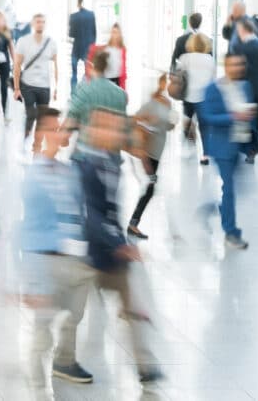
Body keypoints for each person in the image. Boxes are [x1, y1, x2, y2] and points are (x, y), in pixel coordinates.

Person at [77, 108, 163, 384]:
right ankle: (62, 357)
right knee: (71, 314)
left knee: (132, 307)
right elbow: (92, 215)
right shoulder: (86, 166)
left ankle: (145, 365)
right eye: (107, 128)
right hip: (87, 255)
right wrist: (119, 244)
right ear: (93, 132)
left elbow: (111, 212)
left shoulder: (113, 162)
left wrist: (121, 244)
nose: (114, 134)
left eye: (117, 128)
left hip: (112, 256)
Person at [19, 107, 96, 391]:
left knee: (73, 318)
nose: (59, 133)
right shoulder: (33, 177)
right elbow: (27, 231)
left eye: (60, 128)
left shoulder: (68, 173)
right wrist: (31, 281)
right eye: (53, 128)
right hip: (46, 263)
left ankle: (65, 362)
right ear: (39, 135)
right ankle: (39, 392)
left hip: (74, 261)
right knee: (41, 336)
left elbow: (79, 214)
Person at [200, 54, 254, 249]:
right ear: (225, 66)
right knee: (229, 189)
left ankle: (216, 208)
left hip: (239, 144)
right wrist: (234, 116)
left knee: (240, 189)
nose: (236, 67)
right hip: (221, 147)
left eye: (239, 63)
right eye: (232, 64)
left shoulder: (246, 86)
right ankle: (231, 232)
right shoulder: (213, 89)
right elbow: (208, 117)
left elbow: (247, 116)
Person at [127, 73, 176, 240]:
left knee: (150, 187)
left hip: (158, 151)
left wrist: (172, 123)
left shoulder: (168, 104)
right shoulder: (151, 104)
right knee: (150, 187)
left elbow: (168, 127)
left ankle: (133, 224)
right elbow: (134, 120)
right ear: (162, 84)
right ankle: (133, 224)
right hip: (148, 152)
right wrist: (147, 124)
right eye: (168, 83)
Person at [65, 50, 128, 152]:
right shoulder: (121, 94)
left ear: (92, 66)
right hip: (111, 155)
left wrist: (65, 137)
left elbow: (71, 117)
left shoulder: (84, 90)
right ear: (108, 68)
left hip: (86, 153)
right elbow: (123, 126)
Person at [14, 14, 59, 153]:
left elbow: (56, 65)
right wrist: (16, 88)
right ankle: (25, 136)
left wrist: (56, 86)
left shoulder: (51, 42)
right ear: (33, 24)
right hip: (28, 85)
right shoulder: (23, 41)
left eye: (43, 22)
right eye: (38, 22)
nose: (40, 24)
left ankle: (37, 146)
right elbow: (17, 65)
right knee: (31, 113)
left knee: (42, 118)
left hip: (45, 86)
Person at [178, 33, 216, 165]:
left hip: (188, 96)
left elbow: (179, 73)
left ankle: (187, 144)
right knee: (205, 128)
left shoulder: (185, 58)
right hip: (203, 98)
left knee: (186, 121)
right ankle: (205, 156)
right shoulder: (210, 59)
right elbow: (212, 79)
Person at [231, 18, 258, 162]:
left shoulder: (242, 48)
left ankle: (247, 150)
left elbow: (237, 71)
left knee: (244, 121)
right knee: (255, 121)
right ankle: (252, 151)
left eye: (238, 31)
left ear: (243, 30)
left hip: (246, 89)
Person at [68, 0, 97, 92]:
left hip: (76, 49)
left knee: (74, 73)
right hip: (88, 49)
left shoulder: (73, 17)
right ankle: (86, 92)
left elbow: (71, 34)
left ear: (78, 3)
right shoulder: (91, 15)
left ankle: (73, 94)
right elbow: (94, 32)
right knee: (88, 73)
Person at [87, 23, 127, 90]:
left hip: (117, 80)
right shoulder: (106, 48)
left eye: (117, 32)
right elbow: (91, 53)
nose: (114, 35)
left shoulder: (122, 50)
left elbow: (123, 69)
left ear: (120, 34)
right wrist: (92, 71)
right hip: (106, 79)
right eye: (113, 32)